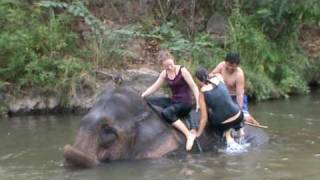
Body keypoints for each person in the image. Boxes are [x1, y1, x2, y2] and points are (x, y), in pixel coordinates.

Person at [141, 50, 200, 151]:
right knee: (149, 100)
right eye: (166, 66)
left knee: (166, 113)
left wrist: (198, 103)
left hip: (185, 103)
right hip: (174, 101)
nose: (169, 67)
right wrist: (143, 94)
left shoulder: (182, 70)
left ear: (173, 60)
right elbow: (155, 86)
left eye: (170, 64)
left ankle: (188, 134)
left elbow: (194, 87)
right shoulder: (164, 73)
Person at [208, 52, 260, 136]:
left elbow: (240, 95)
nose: (230, 68)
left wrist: (239, 111)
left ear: (237, 66)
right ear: (225, 62)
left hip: (235, 97)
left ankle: (251, 122)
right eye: (229, 65)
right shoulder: (221, 65)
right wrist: (216, 77)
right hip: (224, 96)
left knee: (245, 117)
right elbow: (210, 75)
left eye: (233, 67)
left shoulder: (239, 74)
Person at [195, 67, 243, 146]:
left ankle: (226, 133)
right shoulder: (219, 77)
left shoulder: (202, 93)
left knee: (209, 112)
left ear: (198, 80)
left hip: (223, 124)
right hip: (238, 116)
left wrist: (198, 133)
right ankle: (240, 130)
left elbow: (204, 118)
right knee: (230, 103)